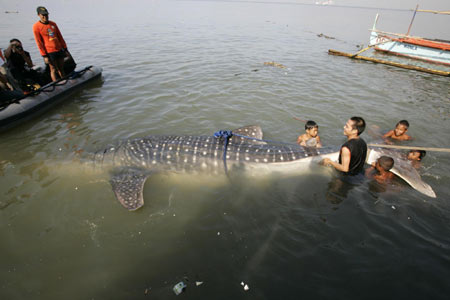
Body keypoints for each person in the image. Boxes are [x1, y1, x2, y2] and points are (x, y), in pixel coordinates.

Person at [33, 6, 72, 82]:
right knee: (53, 69)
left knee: (61, 67)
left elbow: (60, 36)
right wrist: (44, 55)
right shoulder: (36, 27)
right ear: (39, 15)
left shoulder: (53, 24)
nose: (45, 17)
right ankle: (55, 83)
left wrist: (65, 48)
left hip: (58, 49)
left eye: (46, 15)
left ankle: (64, 81)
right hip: (49, 51)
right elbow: (39, 42)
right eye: (43, 15)